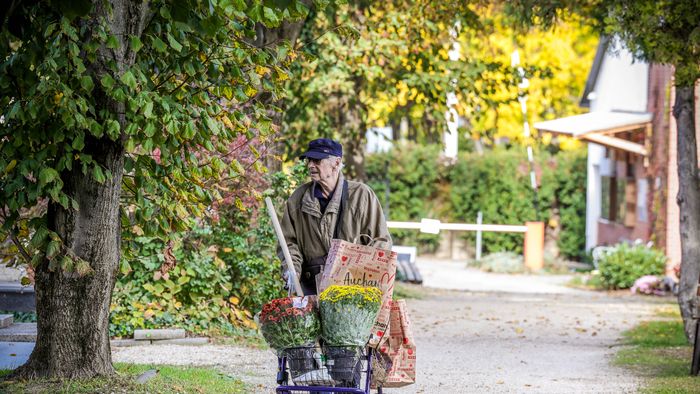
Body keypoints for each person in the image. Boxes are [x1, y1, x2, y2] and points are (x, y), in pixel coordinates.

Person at [278, 138, 392, 296]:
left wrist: (362, 275)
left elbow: (381, 241)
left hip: (354, 287)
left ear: (337, 163)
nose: (311, 165)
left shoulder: (361, 195)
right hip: (311, 288)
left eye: (317, 160)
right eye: (309, 160)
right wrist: (292, 269)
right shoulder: (298, 199)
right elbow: (289, 243)